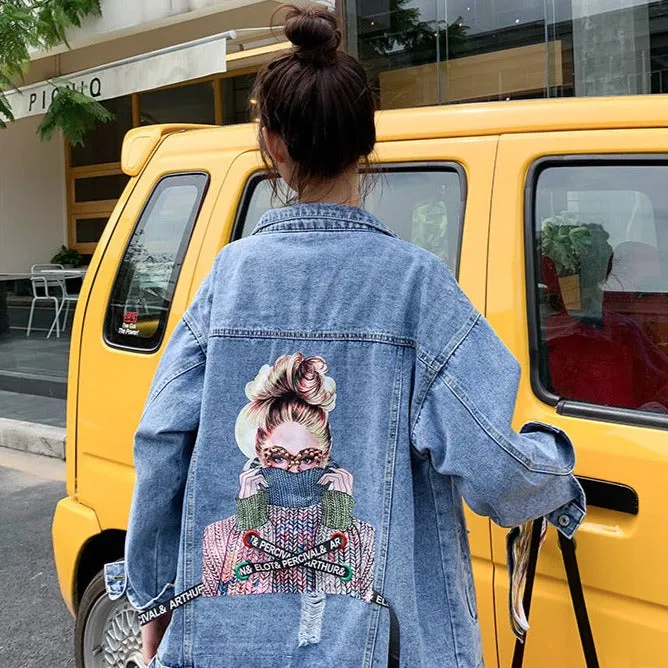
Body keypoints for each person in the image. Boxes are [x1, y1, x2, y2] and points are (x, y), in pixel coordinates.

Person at [104, 6, 585, 667]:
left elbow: (160, 440)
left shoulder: (227, 278)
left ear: (271, 144)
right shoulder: (417, 287)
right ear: (367, 143)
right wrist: (554, 469)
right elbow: (496, 468)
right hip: (376, 646)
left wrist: (156, 598)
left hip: (227, 646)